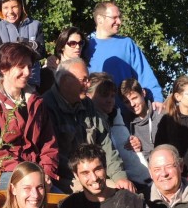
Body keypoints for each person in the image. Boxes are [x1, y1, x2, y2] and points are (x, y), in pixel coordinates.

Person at [0, 42, 59, 206]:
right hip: (2, 173)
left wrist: (47, 171)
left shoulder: (37, 102)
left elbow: (49, 144)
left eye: (29, 67)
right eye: (21, 67)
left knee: (62, 203)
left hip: (35, 172)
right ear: (4, 69)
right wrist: (27, 173)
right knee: (29, 194)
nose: (27, 72)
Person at [42, 58, 135, 194]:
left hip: (93, 174)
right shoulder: (46, 106)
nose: (88, 84)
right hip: (66, 179)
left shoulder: (88, 105)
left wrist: (119, 176)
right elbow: (51, 154)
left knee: (125, 192)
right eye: (83, 80)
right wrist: (84, 175)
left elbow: (105, 145)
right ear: (65, 80)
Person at [83, 1, 164, 105]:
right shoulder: (84, 47)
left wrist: (157, 99)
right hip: (95, 114)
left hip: (127, 113)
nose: (119, 21)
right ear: (100, 19)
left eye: (119, 17)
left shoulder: (126, 43)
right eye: (114, 17)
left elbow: (144, 74)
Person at [88, 73, 151, 191]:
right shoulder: (89, 121)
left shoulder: (117, 117)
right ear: (89, 95)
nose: (110, 100)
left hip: (140, 178)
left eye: (112, 96)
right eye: (104, 96)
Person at [0, 0, 46, 87]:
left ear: (22, 7)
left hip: (30, 80)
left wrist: (25, 43)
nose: (10, 12)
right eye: (6, 8)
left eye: (14, 7)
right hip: (4, 82)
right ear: (0, 10)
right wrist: (21, 46)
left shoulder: (36, 25)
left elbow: (41, 52)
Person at [120, 78, 163, 160]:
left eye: (134, 98)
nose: (132, 104)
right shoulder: (125, 123)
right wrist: (135, 149)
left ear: (143, 93)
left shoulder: (160, 115)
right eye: (127, 102)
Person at [40, 26, 84, 94]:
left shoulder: (84, 67)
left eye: (80, 43)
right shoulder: (49, 69)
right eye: (72, 43)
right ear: (62, 46)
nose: (78, 47)